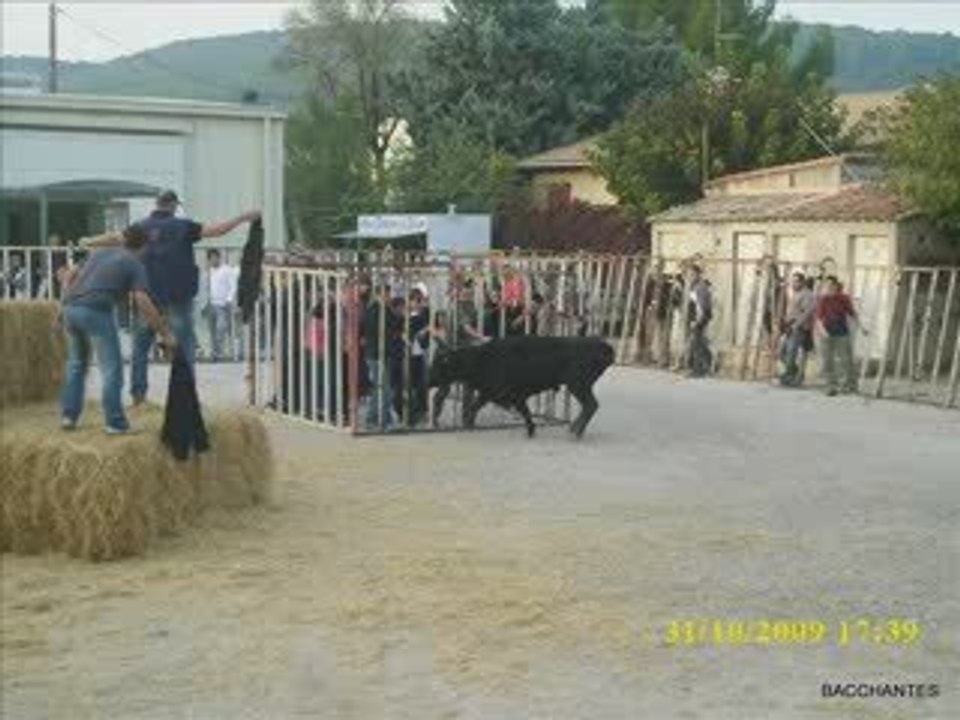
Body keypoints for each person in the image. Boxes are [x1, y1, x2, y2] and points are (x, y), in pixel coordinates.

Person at [85, 190, 260, 403]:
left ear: (157, 204)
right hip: (179, 297)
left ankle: (139, 397)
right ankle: (186, 399)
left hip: (147, 298)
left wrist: (89, 241)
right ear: (174, 205)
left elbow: (115, 238)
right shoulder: (184, 226)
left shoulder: (140, 226)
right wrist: (242, 218)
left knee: (140, 350)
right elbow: (217, 231)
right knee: (184, 349)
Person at [58, 225, 177, 433]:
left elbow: (69, 276)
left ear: (123, 240)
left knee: (77, 365)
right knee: (112, 368)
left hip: (71, 309)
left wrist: (62, 308)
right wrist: (165, 333)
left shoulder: (99, 253)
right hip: (95, 311)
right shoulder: (134, 263)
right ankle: (115, 422)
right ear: (144, 246)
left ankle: (69, 416)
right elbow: (142, 300)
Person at [816, 275, 866, 396]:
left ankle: (850, 385)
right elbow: (818, 319)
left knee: (846, 360)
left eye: (831, 286)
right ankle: (831, 386)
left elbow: (852, 314)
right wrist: (823, 332)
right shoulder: (823, 299)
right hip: (826, 332)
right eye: (826, 286)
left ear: (836, 286)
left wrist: (862, 327)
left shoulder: (843, 298)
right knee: (827, 361)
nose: (828, 288)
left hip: (841, 332)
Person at [779, 272, 816, 387]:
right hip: (790, 327)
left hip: (798, 328)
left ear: (802, 282)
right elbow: (792, 311)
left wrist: (796, 325)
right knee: (782, 353)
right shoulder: (796, 293)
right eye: (792, 281)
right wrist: (785, 322)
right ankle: (794, 372)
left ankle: (790, 376)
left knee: (791, 352)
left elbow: (806, 313)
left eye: (795, 281)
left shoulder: (807, 295)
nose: (793, 283)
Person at [205, 249, 240, 362]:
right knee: (212, 331)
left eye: (215, 257)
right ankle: (215, 354)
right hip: (211, 304)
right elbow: (206, 288)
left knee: (222, 328)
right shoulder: (209, 271)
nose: (213, 260)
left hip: (223, 304)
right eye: (211, 258)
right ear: (209, 260)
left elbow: (233, 286)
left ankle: (220, 352)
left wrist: (229, 299)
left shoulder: (227, 270)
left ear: (219, 258)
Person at [686, 265, 713, 377]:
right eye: (689, 274)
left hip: (700, 317)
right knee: (700, 342)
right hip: (698, 317)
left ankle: (698, 370)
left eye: (692, 274)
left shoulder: (700, 287)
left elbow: (700, 306)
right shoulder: (694, 286)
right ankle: (707, 364)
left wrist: (696, 321)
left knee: (696, 344)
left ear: (697, 274)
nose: (690, 276)